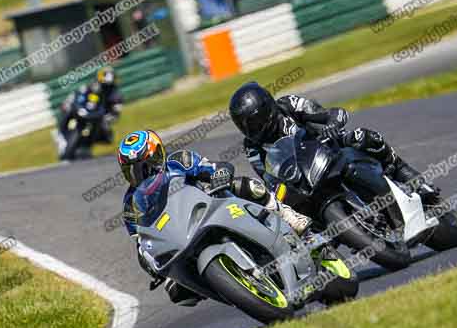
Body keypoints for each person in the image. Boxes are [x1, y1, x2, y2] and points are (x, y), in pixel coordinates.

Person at [117, 129, 312, 307]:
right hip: (179, 239)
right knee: (176, 290)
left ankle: (289, 216)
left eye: (147, 164)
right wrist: (152, 265)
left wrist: (219, 174)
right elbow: (142, 241)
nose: (142, 174)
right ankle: (230, 285)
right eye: (132, 171)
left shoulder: (178, 161)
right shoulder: (130, 203)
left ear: (159, 154)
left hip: (213, 205)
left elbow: (215, 167)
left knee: (246, 186)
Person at [228, 82, 440, 205]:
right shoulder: (252, 147)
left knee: (363, 137)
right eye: (244, 124)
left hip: (328, 148)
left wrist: (332, 125)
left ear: (268, 109)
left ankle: (411, 178)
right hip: (301, 180)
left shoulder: (288, 105)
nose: (251, 128)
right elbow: (268, 178)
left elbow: (328, 114)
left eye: (254, 121)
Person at [56, 67, 124, 156]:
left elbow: (115, 115)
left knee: (107, 134)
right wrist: (67, 104)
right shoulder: (89, 87)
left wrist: (106, 118)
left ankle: (87, 146)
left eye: (108, 86)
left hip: (98, 117)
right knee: (67, 112)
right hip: (83, 111)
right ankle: (61, 135)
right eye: (103, 85)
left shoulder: (116, 96)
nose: (105, 88)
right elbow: (75, 96)